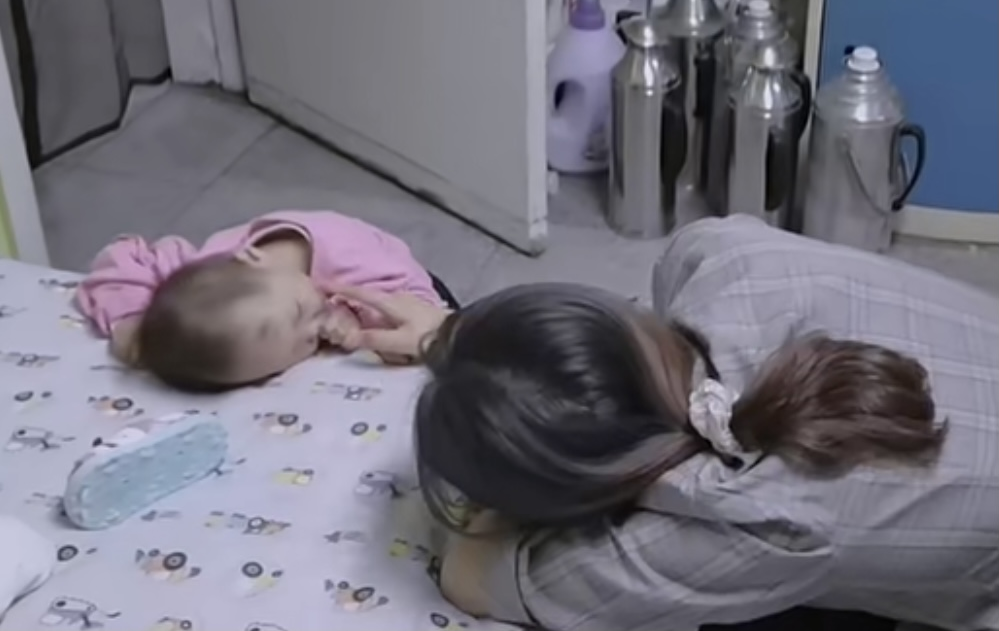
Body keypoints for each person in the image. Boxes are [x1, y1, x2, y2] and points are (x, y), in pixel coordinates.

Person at [337, 215, 999, 631]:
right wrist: (458, 337)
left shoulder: (751, 521)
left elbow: (473, 578)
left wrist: (491, 496)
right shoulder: (718, 255)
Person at [75, 210, 458, 392]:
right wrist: (143, 326)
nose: (319, 330)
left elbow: (419, 314)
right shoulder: (217, 282)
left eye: (302, 313)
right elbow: (122, 262)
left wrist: (363, 322)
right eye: (306, 344)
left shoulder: (351, 256)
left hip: (411, 287)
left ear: (251, 256)